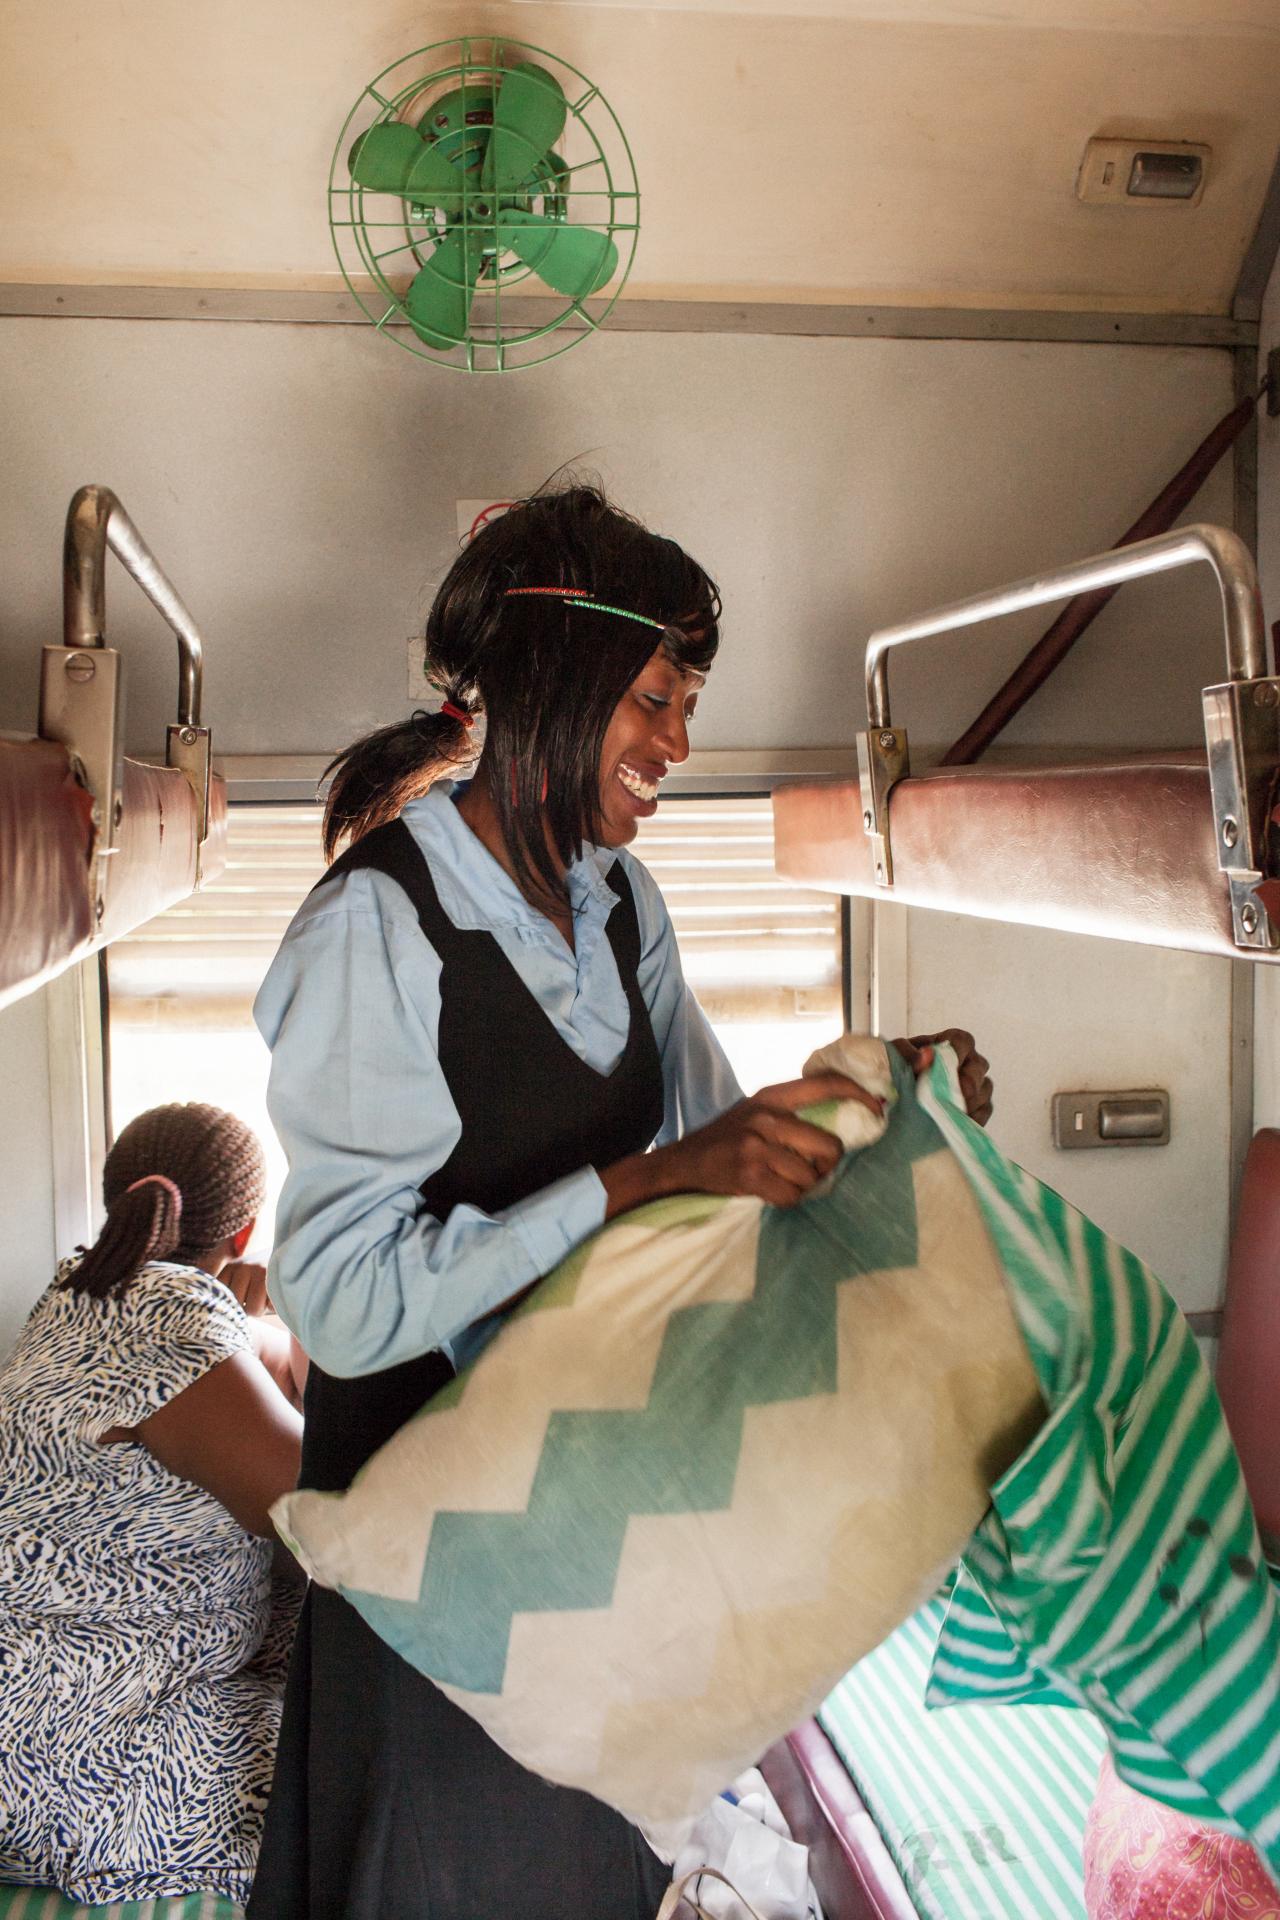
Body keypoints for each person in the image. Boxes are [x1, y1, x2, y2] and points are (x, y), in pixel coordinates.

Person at [249, 483, 993, 1920]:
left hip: (580, 1531)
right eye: (657, 695)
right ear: (555, 679)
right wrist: (639, 1184)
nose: (680, 743)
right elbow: (338, 1307)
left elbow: (724, 1144)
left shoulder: (620, 907)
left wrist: (879, 1092)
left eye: (691, 699)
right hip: (430, 1562)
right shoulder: (377, 929)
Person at [0, 1103, 304, 1908]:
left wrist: (261, 1327)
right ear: (242, 1234)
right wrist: (308, 1324)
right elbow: (329, 1518)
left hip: (29, 1713)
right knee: (373, 1784)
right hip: (84, 1751)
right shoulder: (173, 1318)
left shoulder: (75, 1292)